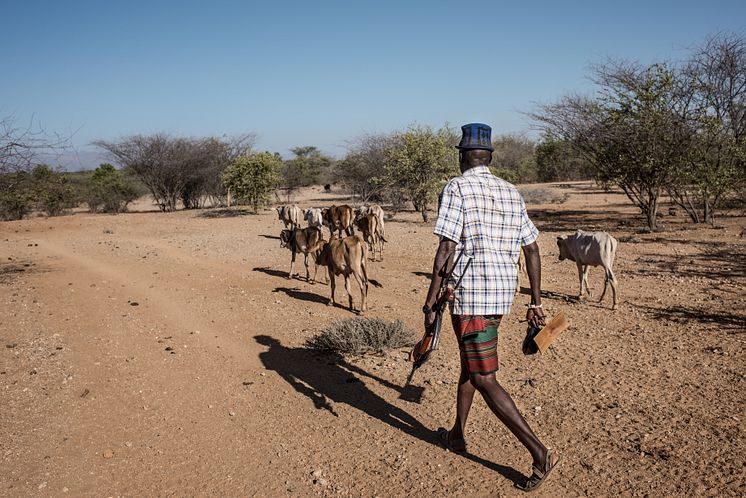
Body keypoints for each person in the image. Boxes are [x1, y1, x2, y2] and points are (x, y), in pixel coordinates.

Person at [422, 123, 560, 492]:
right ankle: (457, 434)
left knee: (484, 377)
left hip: (470, 299)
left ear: (463, 156)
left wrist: (431, 299)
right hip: (501, 297)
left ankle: (539, 453)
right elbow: (531, 249)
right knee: (471, 367)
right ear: (490, 156)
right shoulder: (510, 191)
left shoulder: (457, 187)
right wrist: (535, 301)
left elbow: (447, 248)